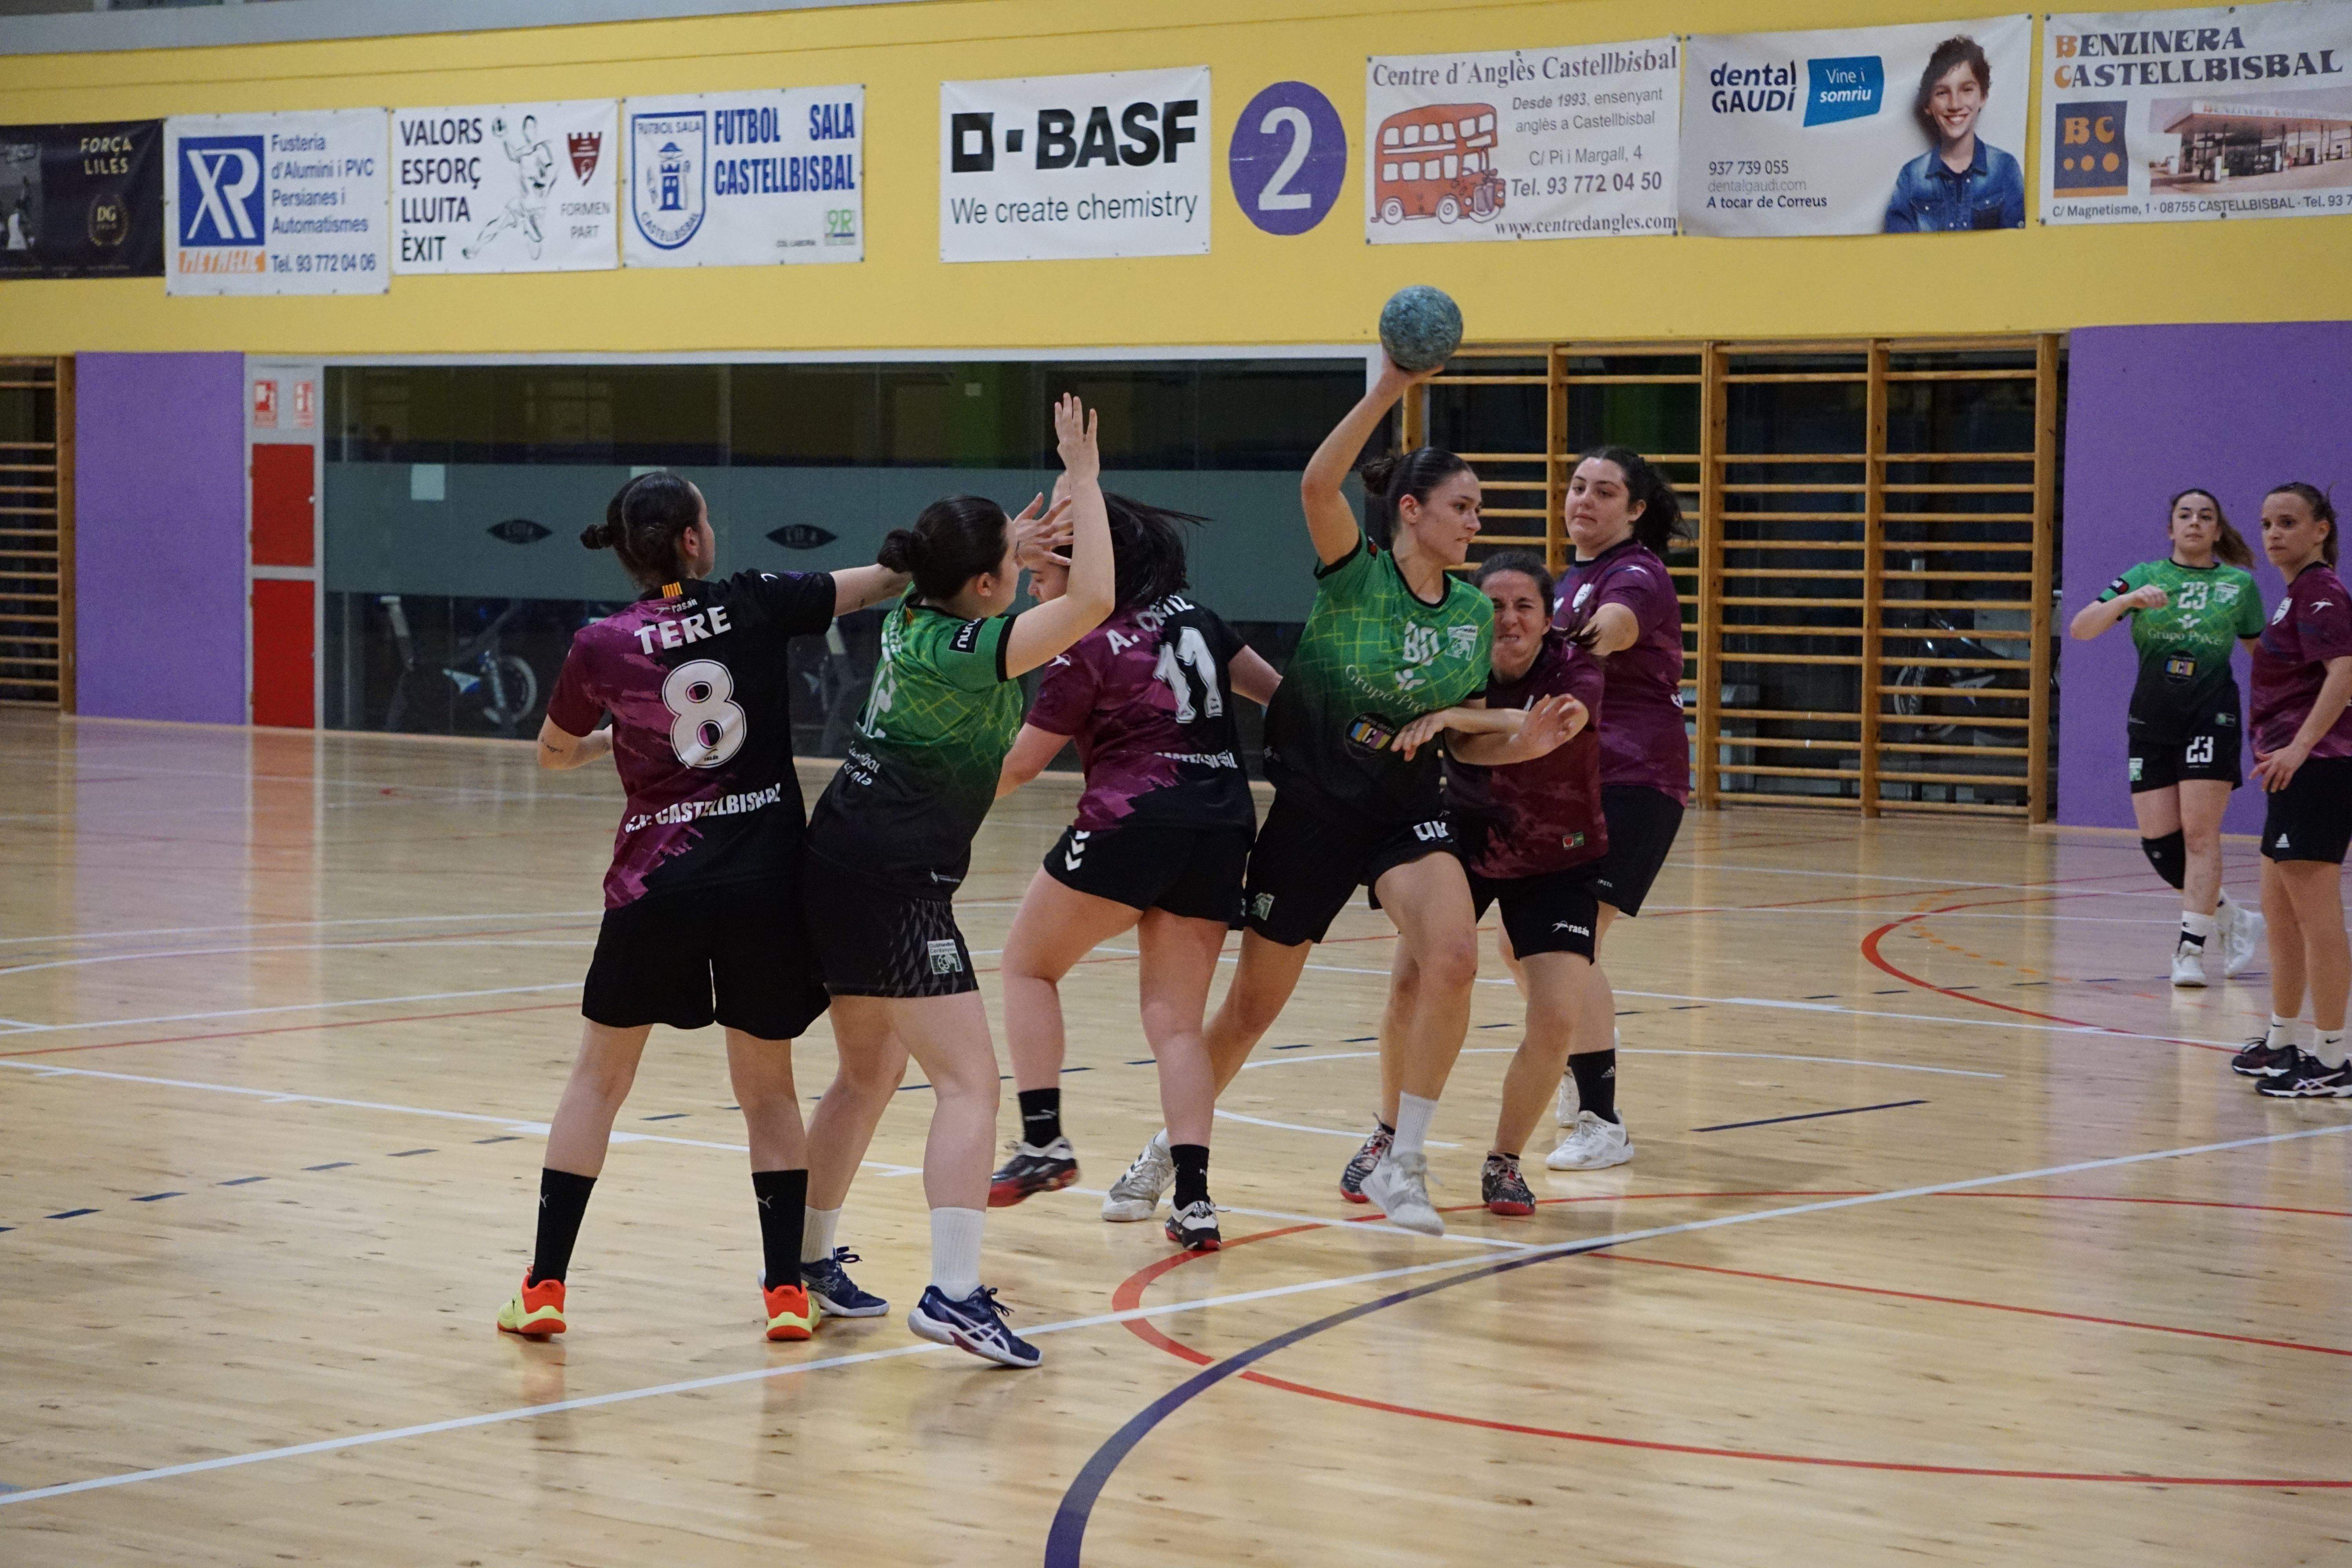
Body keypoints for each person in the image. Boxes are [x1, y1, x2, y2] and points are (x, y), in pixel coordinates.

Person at [1102, 354, 1514, 1240]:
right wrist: (1393, 386)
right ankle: (1164, 1151)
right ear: (1411, 511)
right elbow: (1317, 481)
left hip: (1408, 807)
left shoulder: (1474, 614)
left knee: (1451, 958)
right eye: (1462, 506)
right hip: (1315, 809)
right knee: (1250, 1010)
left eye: (1479, 507)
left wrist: (1472, 719)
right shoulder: (1356, 572)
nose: (1476, 521)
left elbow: (1469, 717)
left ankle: (1402, 1161)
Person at [495, 471, 907, 1343]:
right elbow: (881, 580)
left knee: (598, 1081)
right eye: (706, 519)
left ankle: (544, 1287)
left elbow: (551, 752)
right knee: (767, 1093)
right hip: (763, 882)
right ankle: (785, 1293)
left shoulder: (600, 643)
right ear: (690, 541)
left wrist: (617, 738)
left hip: (655, 885)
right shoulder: (756, 601)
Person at [796, 394, 1113, 1368]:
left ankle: (804, 1264)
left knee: (867, 1072)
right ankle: (954, 1292)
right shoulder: (974, 651)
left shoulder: (915, 612)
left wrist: (1019, 532)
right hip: (895, 874)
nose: (1024, 580)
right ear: (980, 587)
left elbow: (995, 574)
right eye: (1012, 572)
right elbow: (1093, 601)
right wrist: (1084, 478)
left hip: (844, 850)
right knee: (971, 1082)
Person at [988, 492, 1283, 1253]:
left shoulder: (1088, 638)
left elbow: (1022, 762)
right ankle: (1192, 1199)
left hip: (1133, 818)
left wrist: (928, 803)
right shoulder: (1201, 620)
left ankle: (1044, 1138)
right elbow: (1283, 698)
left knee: (1026, 966)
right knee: (1177, 1024)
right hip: (1220, 825)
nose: (1034, 584)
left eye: (1050, 562)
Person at [1394, 552, 1603, 1214]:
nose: (1509, 619)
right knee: (1413, 983)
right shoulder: (1459, 662)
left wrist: (1461, 716)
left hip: (1559, 850)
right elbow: (1466, 751)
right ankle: (1387, 1137)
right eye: (1495, 607)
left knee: (1558, 1016)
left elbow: (1549, 730)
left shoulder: (1577, 666)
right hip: (1464, 836)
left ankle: (1504, 1161)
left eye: (1524, 607)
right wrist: (1478, 727)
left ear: (1547, 619)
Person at [1539, 446, 1694, 1171]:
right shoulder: (1568, 579)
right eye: (1577, 487)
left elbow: (1616, 629)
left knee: (1567, 943)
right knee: (1530, 943)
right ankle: (1584, 1060)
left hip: (1636, 777)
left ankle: (1602, 1118)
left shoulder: (1636, 575)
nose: (1585, 500)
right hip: (1578, 777)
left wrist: (1554, 648)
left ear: (1634, 510)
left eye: (1605, 492)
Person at [2067, 487, 2267, 986]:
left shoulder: (2237, 586)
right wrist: (2129, 600)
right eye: (2185, 515)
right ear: (2171, 528)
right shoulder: (2144, 576)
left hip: (2211, 715)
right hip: (2152, 719)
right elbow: (2080, 629)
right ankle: (2232, 918)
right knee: (2161, 845)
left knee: (2201, 834)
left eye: (2206, 516)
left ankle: (2190, 952)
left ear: (2218, 531)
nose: (2195, 523)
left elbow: (2263, 656)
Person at [2234, 484, 2352, 1099]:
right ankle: (2283, 1037)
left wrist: (2303, 745)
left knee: (2316, 916)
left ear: (2321, 530)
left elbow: (2346, 672)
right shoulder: (2293, 597)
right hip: (2288, 773)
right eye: (2267, 523)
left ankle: (2333, 1055)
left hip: (2319, 768)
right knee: (2279, 913)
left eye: (2289, 522)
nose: (2274, 533)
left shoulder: (2323, 593)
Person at [1882, 35, 2025, 233]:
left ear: (1983, 96)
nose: (1955, 105)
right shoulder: (1911, 177)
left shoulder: (2005, 169)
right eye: (1942, 93)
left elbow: (2018, 253)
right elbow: (1898, 255)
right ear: (1928, 105)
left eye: (1967, 90)